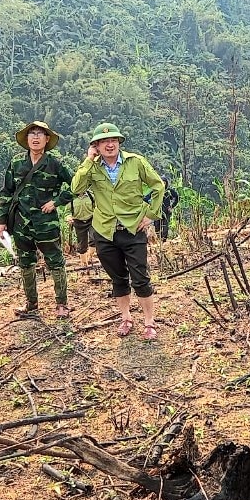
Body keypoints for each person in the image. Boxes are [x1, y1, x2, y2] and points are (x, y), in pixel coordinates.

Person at [71, 123, 165, 340]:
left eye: (113, 140)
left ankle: (149, 322)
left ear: (119, 143)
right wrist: (87, 160)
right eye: (104, 141)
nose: (109, 144)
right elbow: (76, 189)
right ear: (96, 146)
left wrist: (151, 215)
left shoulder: (136, 162)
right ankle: (126, 318)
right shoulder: (92, 168)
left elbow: (157, 185)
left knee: (140, 277)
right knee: (118, 278)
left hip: (132, 229)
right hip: (105, 231)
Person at [0, 121, 74, 318]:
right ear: (27, 139)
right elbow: (7, 192)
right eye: (32, 133)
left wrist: (56, 202)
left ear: (47, 139)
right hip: (21, 222)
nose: (36, 137)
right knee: (25, 262)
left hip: (46, 223)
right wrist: (1, 220)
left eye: (40, 134)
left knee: (55, 261)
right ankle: (31, 303)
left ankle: (62, 304)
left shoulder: (55, 164)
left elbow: (75, 185)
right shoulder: (16, 163)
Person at [67, 188, 95, 268]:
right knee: (82, 243)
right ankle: (84, 263)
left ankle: (90, 257)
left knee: (94, 237)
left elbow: (98, 206)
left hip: (91, 220)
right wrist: (68, 217)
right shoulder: (70, 197)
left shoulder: (91, 195)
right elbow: (67, 211)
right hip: (78, 221)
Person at [155, 176, 180, 241]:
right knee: (157, 227)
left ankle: (163, 241)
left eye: (164, 183)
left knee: (165, 227)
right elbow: (148, 198)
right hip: (157, 211)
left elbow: (177, 197)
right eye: (162, 183)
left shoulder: (169, 191)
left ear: (166, 183)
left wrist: (172, 206)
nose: (163, 184)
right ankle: (158, 241)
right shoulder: (156, 190)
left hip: (166, 211)